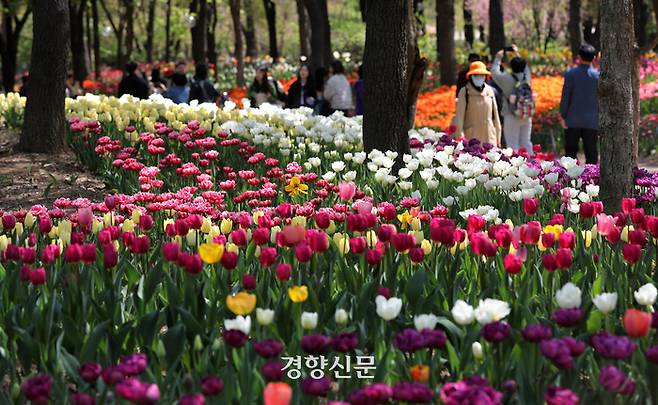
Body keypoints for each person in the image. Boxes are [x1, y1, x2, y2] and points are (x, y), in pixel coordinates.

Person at [560, 44, 600, 164]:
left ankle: (570, 180)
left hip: (573, 119)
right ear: (594, 58)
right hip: (592, 121)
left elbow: (565, 96)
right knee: (591, 152)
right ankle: (592, 180)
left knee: (570, 153)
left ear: (579, 57)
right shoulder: (598, 76)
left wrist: (563, 115)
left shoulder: (570, 74)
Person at [492, 46, 534, 154]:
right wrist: (516, 53)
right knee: (526, 142)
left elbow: (494, 72)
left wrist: (498, 58)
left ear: (511, 67)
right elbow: (525, 67)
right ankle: (532, 166)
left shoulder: (506, 78)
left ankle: (515, 168)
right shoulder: (527, 77)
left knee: (512, 143)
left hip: (511, 113)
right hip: (526, 113)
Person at [453, 61, 502, 147]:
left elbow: (496, 118)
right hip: (471, 140)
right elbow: (459, 119)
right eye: (476, 75)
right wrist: (460, 139)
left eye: (482, 75)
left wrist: (498, 139)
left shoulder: (490, 91)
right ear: (470, 77)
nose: (479, 77)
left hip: (489, 139)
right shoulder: (465, 92)